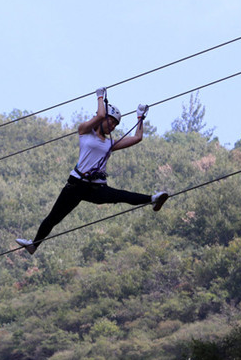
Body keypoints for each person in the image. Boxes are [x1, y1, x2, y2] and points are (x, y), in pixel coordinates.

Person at [16, 88, 168, 254]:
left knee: (121, 195)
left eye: (115, 124)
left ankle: (153, 199)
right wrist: (100, 97)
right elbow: (100, 115)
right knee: (54, 218)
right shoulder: (85, 132)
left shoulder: (110, 144)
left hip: (96, 188)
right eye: (110, 121)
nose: (112, 125)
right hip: (75, 186)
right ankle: (34, 245)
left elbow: (137, 138)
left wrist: (140, 117)